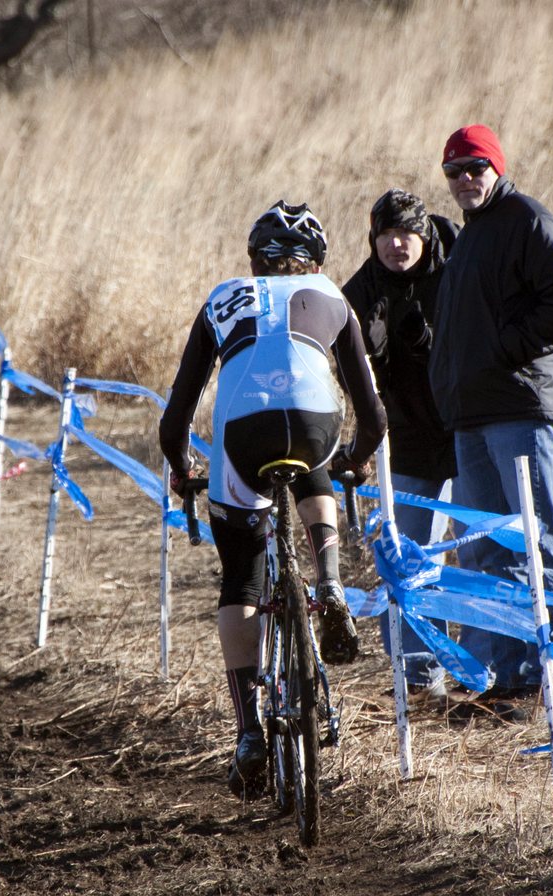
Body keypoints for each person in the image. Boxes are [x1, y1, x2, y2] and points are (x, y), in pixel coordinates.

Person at [159, 200, 386, 795]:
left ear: (255, 261)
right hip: (315, 424)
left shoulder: (223, 298)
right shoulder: (333, 296)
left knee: (241, 578)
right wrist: (355, 460)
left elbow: (177, 413)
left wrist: (183, 473)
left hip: (243, 434)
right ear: (316, 261)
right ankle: (331, 581)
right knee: (316, 461)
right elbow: (374, 414)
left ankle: (247, 731)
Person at [428, 124, 553, 722]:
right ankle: (510, 682)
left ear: (496, 167)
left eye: (475, 167)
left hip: (521, 409)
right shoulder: (470, 236)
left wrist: (504, 349)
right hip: (474, 415)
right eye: (454, 171)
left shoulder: (526, 219)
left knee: (534, 538)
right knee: (489, 548)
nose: (465, 179)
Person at [342, 188, 459, 709]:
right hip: (406, 441)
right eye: (385, 235)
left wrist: (435, 342)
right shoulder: (361, 291)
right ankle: (419, 677)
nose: (396, 244)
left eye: (405, 234)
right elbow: (345, 369)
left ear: (424, 234)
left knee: (486, 554)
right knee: (410, 560)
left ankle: (494, 673)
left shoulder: (455, 268)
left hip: (467, 429)